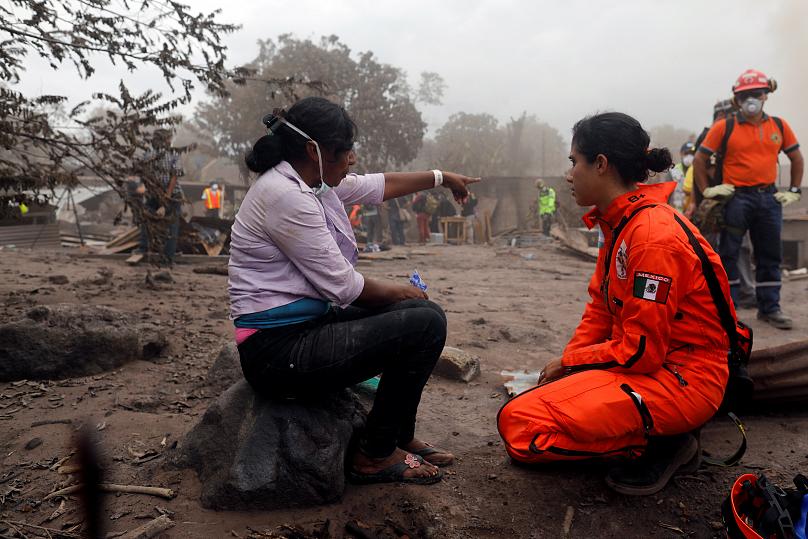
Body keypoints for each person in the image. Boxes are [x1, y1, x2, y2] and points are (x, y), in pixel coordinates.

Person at [228, 97, 479, 485]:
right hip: (277, 354)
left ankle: (395, 433)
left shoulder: (312, 181)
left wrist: (442, 177)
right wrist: (401, 292)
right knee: (423, 324)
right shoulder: (286, 195)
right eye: (345, 152)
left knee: (427, 318)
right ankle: (375, 455)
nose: (353, 160)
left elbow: (380, 185)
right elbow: (344, 286)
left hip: (304, 328)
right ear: (315, 151)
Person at [498, 112, 735, 496]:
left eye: (575, 162)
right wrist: (570, 369)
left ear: (602, 164)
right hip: (649, 369)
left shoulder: (651, 236)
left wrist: (572, 364)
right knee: (535, 405)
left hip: (683, 378)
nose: (569, 174)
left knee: (521, 425)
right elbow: (600, 311)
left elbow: (643, 351)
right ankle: (650, 430)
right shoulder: (620, 225)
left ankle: (665, 444)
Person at [693, 69, 804, 330]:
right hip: (736, 199)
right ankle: (727, 311)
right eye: (745, 95)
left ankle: (770, 308)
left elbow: (797, 158)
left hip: (768, 198)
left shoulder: (779, 126)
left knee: (769, 254)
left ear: (766, 95)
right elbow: (699, 159)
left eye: (756, 93)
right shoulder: (725, 127)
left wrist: (795, 190)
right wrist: (708, 189)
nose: (751, 99)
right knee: (728, 254)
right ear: (737, 99)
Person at [140, 128, 183, 265]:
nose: (170, 141)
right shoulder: (174, 153)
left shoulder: (148, 154)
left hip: (162, 194)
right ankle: (165, 258)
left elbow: (146, 176)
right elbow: (174, 177)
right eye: (169, 138)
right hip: (170, 195)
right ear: (165, 140)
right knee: (171, 226)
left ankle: (145, 251)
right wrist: (165, 199)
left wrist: (164, 201)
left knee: (147, 221)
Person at [668, 142, 695, 212]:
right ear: (681, 154)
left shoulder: (698, 171)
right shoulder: (673, 171)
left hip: (692, 214)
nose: (689, 157)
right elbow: (666, 194)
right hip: (675, 213)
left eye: (692, 154)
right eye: (686, 154)